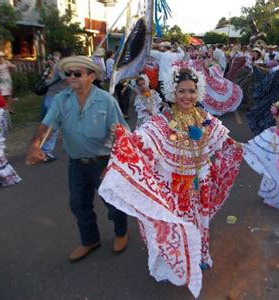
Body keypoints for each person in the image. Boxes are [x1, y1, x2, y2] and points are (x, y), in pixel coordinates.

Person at [98, 67, 243, 297]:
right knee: (174, 224)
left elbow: (222, 138)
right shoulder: (162, 121)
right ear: (172, 92)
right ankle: (173, 265)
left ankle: (199, 256)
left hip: (200, 182)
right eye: (182, 91)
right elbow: (141, 141)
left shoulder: (204, 118)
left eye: (192, 91)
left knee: (199, 221)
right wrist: (122, 145)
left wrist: (241, 146)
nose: (187, 96)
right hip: (174, 186)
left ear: (199, 92)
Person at [25, 56, 129, 262]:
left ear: (92, 76)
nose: (71, 77)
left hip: (104, 162)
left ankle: (121, 232)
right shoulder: (61, 100)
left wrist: (116, 163)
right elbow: (46, 125)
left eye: (77, 73)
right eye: (68, 73)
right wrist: (34, 146)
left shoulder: (107, 101)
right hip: (76, 163)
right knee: (79, 204)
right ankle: (90, 240)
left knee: (113, 203)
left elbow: (124, 134)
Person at [40, 48, 74, 162]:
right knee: (53, 125)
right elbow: (69, 80)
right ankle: (45, 151)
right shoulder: (61, 66)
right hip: (54, 98)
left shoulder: (63, 65)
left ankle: (72, 144)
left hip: (59, 97)